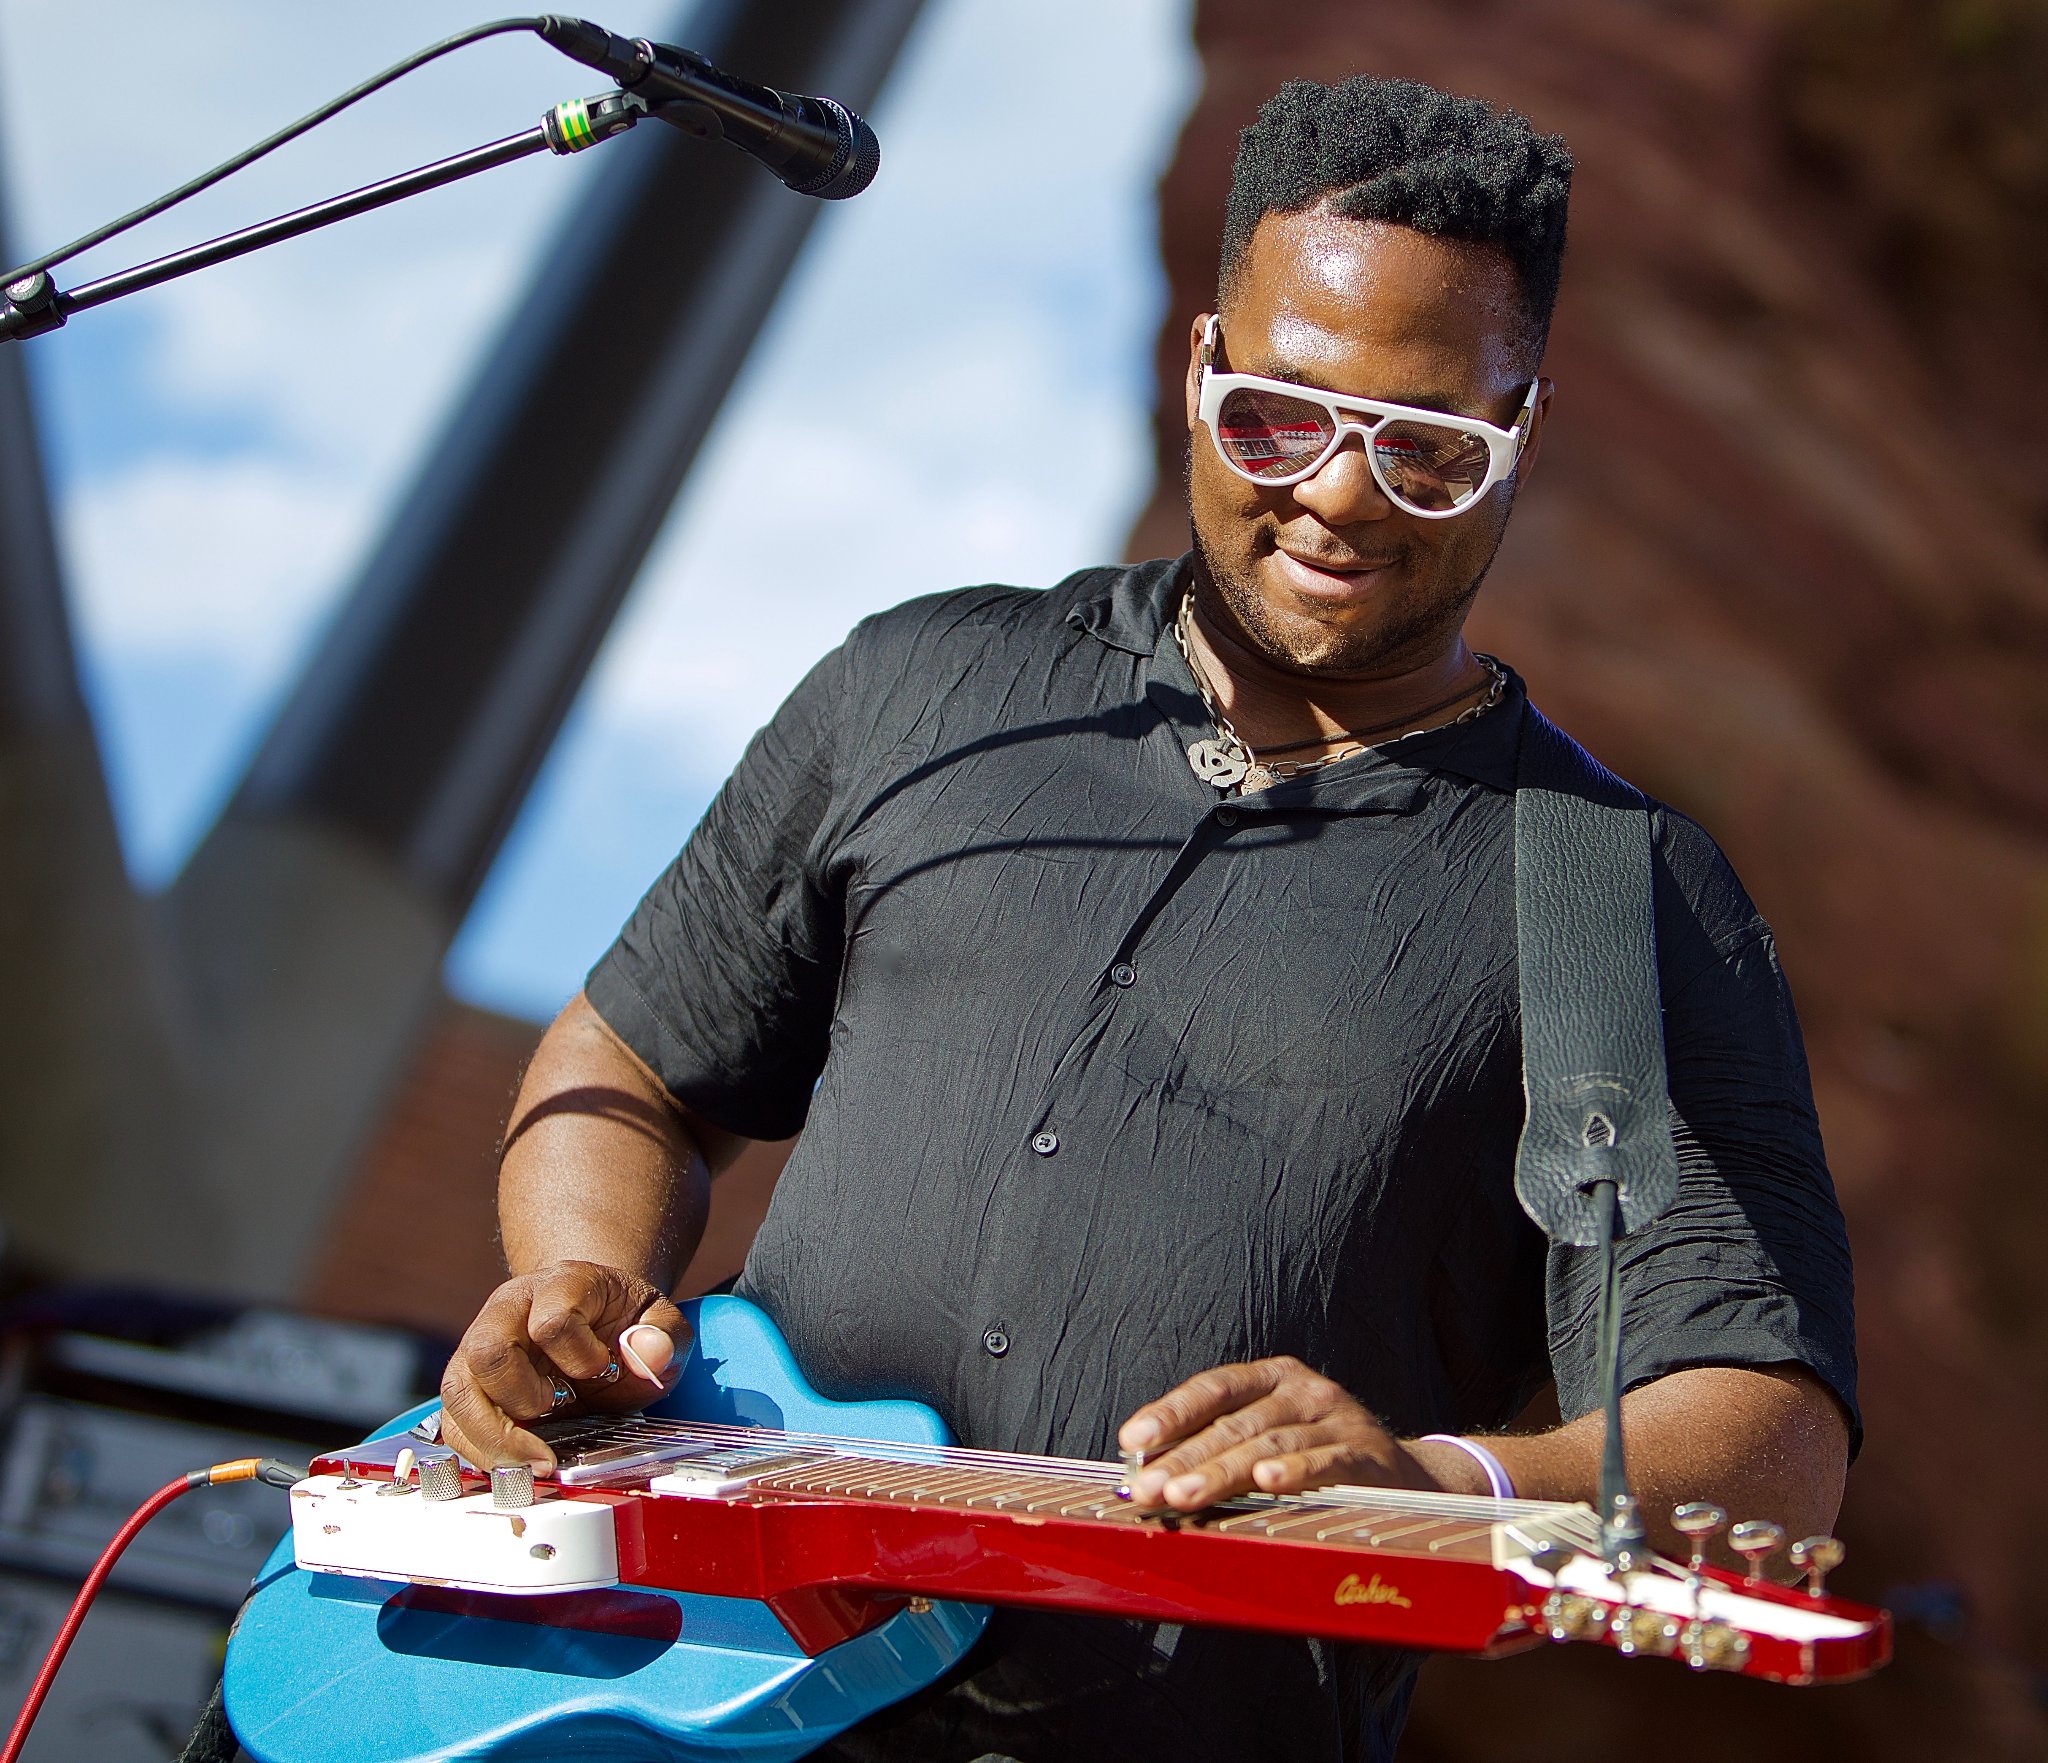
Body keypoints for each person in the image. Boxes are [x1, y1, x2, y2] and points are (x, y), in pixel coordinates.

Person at [437, 74, 1857, 1762]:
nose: (1336, 497)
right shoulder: (930, 682)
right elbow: (635, 1059)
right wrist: (579, 1281)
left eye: (1425, 448)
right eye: (1278, 418)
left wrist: (1438, 1484)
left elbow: (1765, 1442)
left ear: (1522, 439)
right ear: (1199, 370)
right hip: (680, 1687)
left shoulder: (1614, 891)